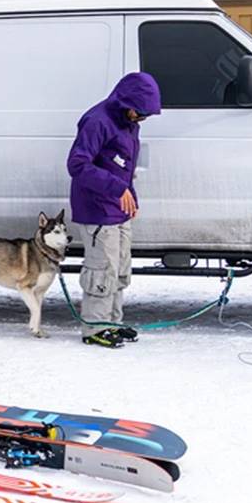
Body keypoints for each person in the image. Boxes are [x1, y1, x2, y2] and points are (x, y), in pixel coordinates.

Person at [67, 72, 161, 348]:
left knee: (119, 268)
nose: (142, 118)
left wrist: (130, 195)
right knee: (101, 269)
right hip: (97, 210)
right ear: (126, 102)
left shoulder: (128, 122)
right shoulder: (98, 121)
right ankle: (94, 327)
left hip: (118, 208)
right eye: (140, 112)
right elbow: (78, 164)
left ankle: (112, 322)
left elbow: (121, 166)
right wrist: (116, 189)